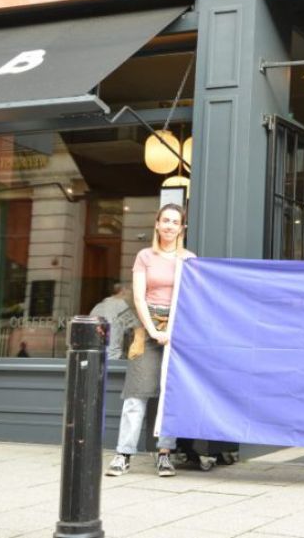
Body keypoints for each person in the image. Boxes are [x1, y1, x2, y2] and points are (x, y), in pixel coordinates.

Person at [106, 203, 196, 477]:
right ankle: (124, 453)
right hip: (146, 329)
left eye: (175, 221)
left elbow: (192, 299)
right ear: (157, 224)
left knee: (169, 394)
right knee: (137, 393)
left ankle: (164, 454)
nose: (169, 225)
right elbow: (138, 297)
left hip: (177, 329)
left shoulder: (189, 259)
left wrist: (173, 330)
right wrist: (154, 330)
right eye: (165, 220)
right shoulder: (145, 256)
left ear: (182, 228)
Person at [90, 283, 140, 361]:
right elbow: (137, 330)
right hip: (114, 358)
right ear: (123, 291)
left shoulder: (98, 306)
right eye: (132, 291)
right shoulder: (123, 306)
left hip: (94, 356)